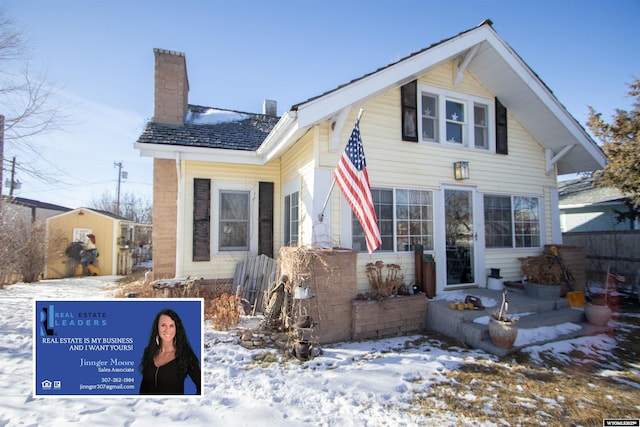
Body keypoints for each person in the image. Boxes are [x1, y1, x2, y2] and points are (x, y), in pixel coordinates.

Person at [139, 308, 201, 395]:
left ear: (177, 329)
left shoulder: (185, 355)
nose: (167, 330)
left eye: (171, 325)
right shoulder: (149, 352)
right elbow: (144, 386)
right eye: (163, 325)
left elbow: (201, 385)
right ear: (157, 327)